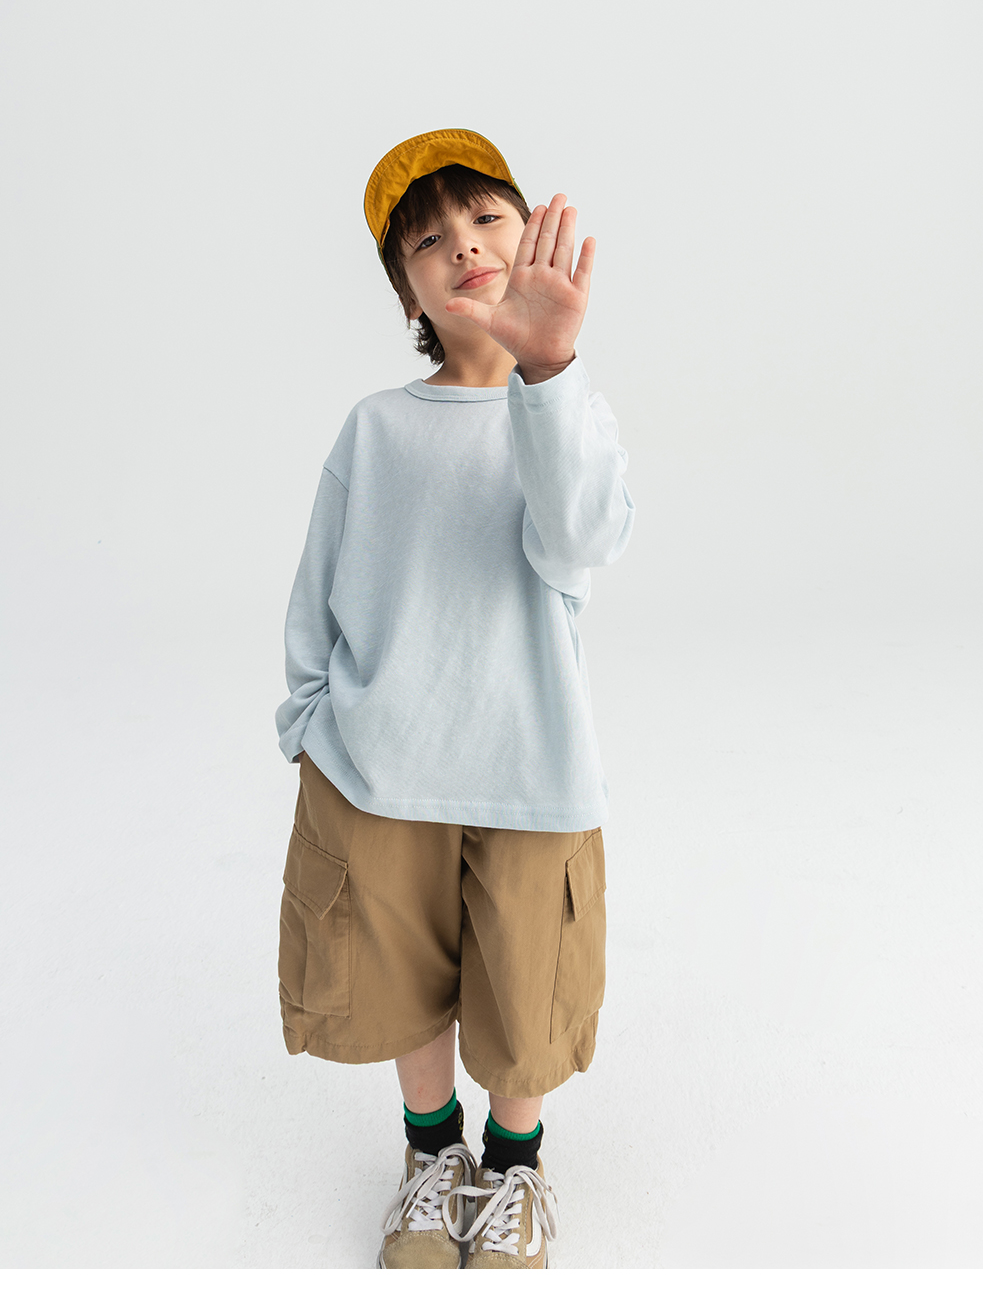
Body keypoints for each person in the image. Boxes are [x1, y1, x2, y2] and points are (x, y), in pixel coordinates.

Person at [274, 127, 635, 1268]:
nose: (464, 247)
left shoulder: (565, 412)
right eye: (428, 241)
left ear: (529, 238)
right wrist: (310, 721)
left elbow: (580, 540)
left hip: (530, 766)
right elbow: (319, 588)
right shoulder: (377, 427)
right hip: (382, 765)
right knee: (399, 973)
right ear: (409, 292)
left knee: (528, 984)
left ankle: (515, 1165)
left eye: (485, 219)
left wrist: (550, 369)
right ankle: (432, 1155)